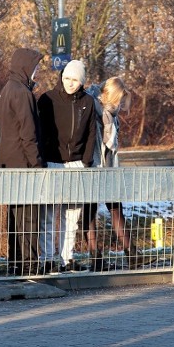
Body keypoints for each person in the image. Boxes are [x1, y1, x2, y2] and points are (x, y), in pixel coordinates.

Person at [37, 60, 96, 274]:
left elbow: (91, 132)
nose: (71, 83)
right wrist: (42, 159)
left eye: (76, 80)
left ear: (82, 82)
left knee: (72, 215)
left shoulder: (88, 102)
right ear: (62, 78)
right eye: (68, 78)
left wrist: (86, 160)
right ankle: (47, 258)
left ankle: (66, 257)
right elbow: (39, 131)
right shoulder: (47, 99)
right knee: (49, 213)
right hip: (52, 162)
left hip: (76, 163)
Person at [86, 76, 144, 270]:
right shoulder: (94, 109)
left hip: (108, 167)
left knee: (116, 208)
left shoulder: (110, 113)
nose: (120, 105)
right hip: (94, 166)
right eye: (118, 100)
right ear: (109, 95)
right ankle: (95, 257)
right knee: (90, 211)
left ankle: (131, 253)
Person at [0, 48, 44, 276]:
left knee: (15, 216)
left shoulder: (6, 90)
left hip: (8, 163)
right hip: (24, 165)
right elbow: (28, 134)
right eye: (35, 67)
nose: (38, 71)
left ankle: (15, 263)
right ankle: (29, 265)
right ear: (26, 66)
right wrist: (37, 165)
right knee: (29, 217)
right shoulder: (22, 93)